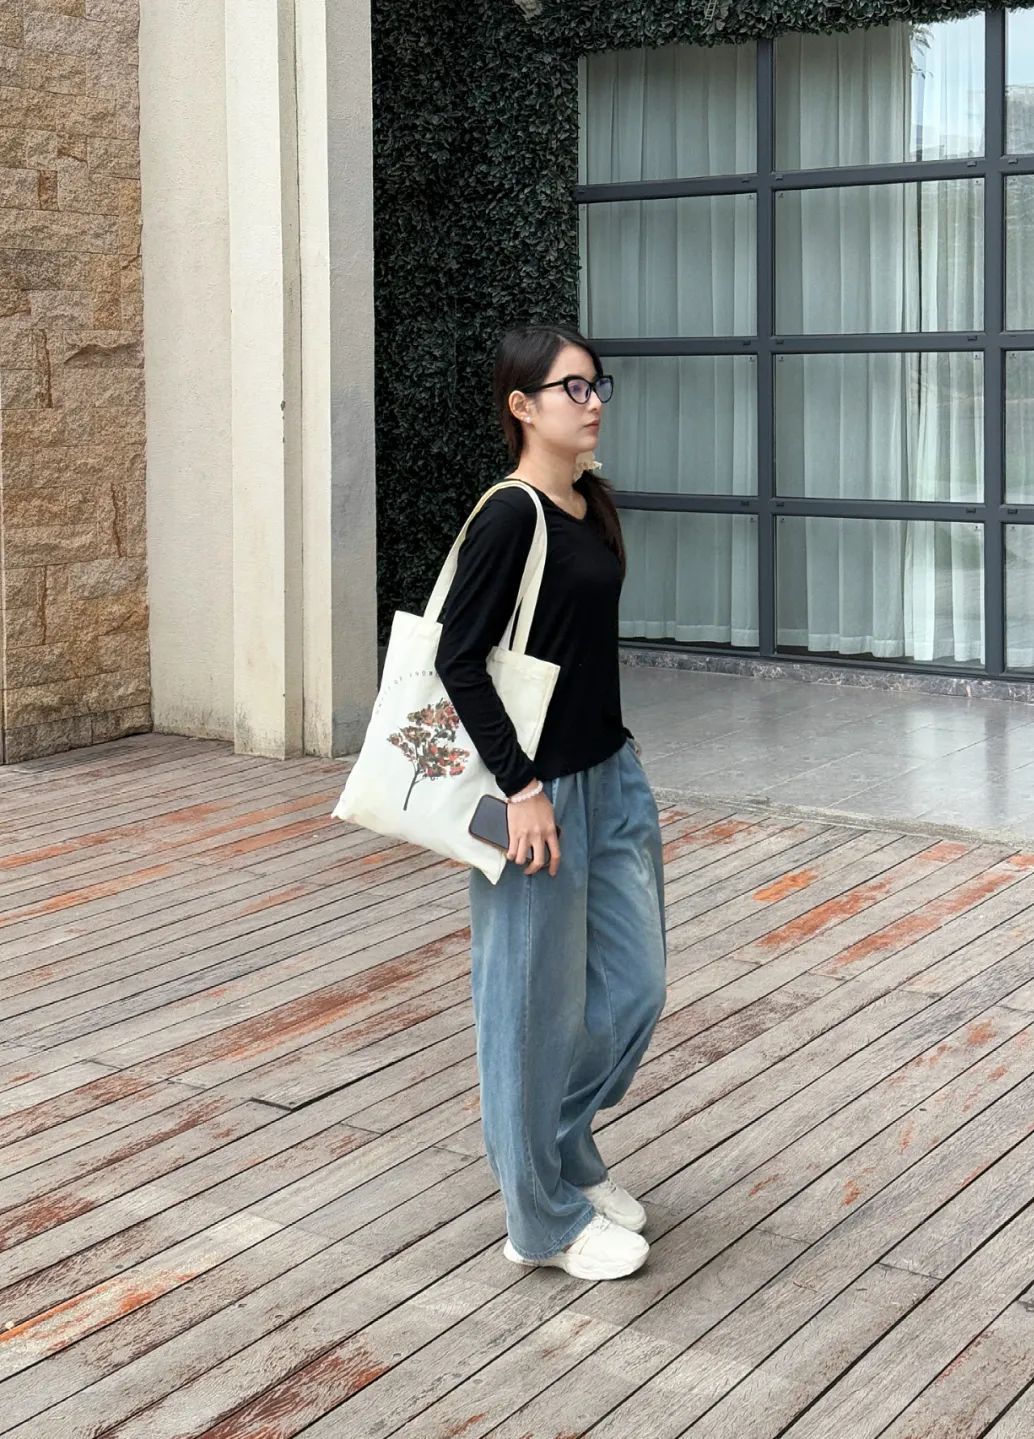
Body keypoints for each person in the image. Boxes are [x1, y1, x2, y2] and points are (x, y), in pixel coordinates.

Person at [434, 323, 668, 1281]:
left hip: (612, 777)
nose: (594, 400)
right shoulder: (511, 515)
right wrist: (521, 786)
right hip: (535, 792)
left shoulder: (589, 503)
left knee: (636, 984)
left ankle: (562, 1143)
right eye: (573, 387)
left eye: (598, 383)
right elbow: (457, 658)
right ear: (522, 405)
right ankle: (539, 1220)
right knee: (528, 1008)